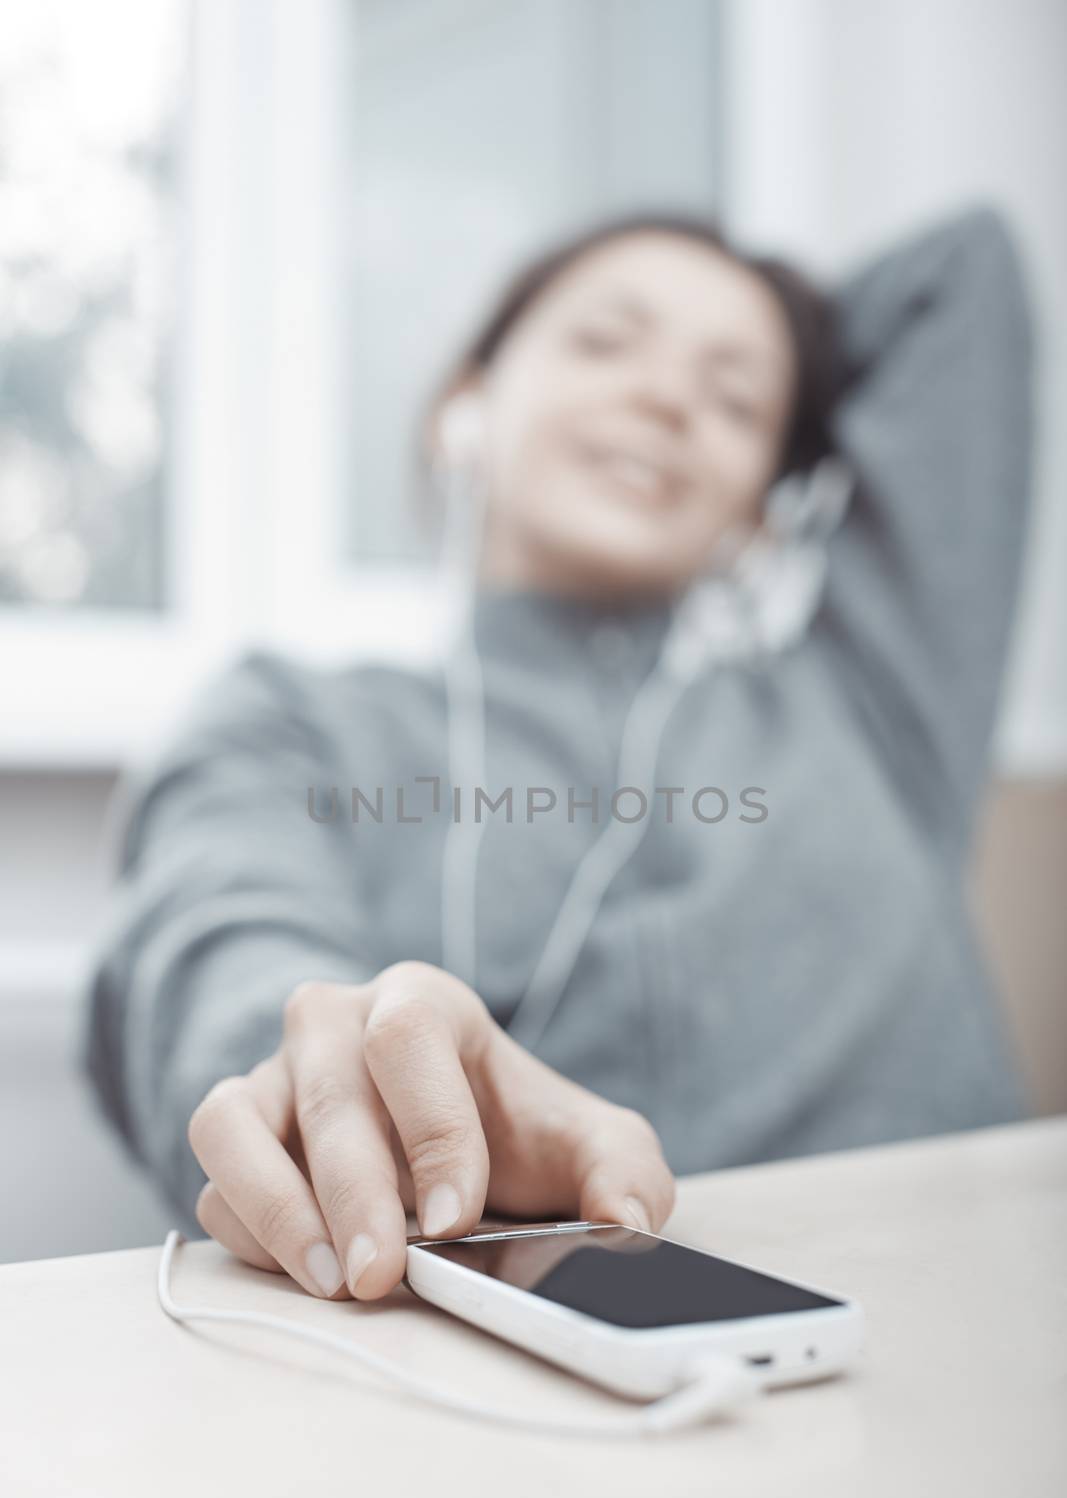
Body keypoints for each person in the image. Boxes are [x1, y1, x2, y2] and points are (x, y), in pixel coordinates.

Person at [82, 203, 1034, 1306]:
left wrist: (797, 350)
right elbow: (209, 937)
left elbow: (962, 273)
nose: (667, 397)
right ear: (463, 406)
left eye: (735, 399)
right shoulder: (292, 719)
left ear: (764, 508)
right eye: (603, 340)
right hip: (494, 1398)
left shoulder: (872, 700)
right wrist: (314, 1073)